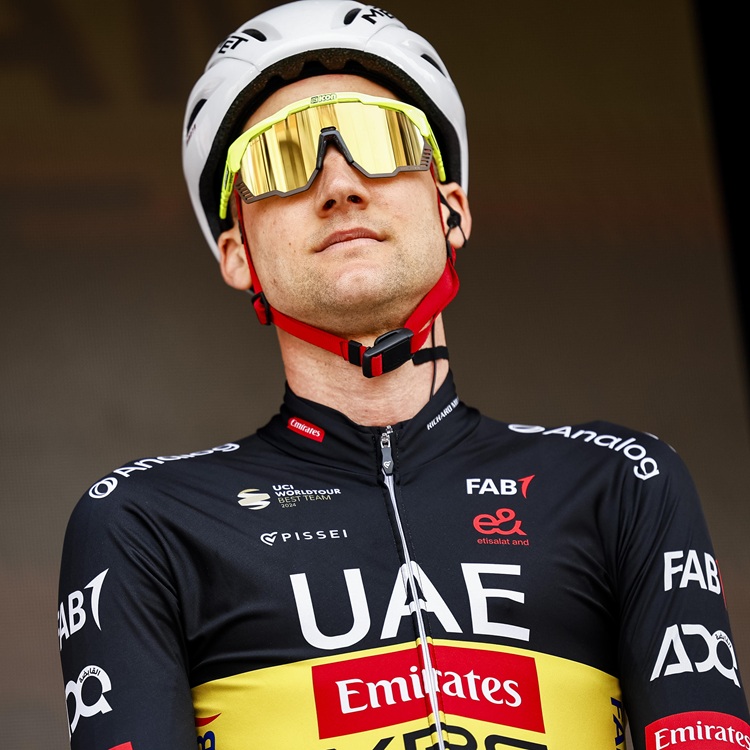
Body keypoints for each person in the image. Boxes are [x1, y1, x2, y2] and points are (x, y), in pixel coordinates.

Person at [58, 2, 749, 748]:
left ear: (452, 211)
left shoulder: (623, 484)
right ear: (237, 254)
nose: (339, 184)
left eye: (380, 139)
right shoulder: (143, 522)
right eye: (278, 158)